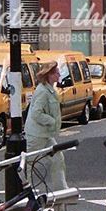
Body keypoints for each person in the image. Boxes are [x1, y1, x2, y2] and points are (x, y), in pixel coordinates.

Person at [24, 61, 68, 190]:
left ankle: (61, 189)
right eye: (57, 73)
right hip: (36, 135)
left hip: (46, 134)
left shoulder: (49, 90)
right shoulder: (43, 91)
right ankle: (27, 191)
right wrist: (51, 121)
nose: (59, 76)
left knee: (58, 159)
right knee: (30, 164)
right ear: (49, 75)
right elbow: (36, 114)